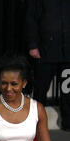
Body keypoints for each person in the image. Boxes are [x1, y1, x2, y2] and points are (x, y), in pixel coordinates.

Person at [25, 0, 70, 130]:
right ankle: (34, 124)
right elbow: (31, 19)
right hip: (45, 50)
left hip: (67, 52)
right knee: (40, 90)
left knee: (68, 90)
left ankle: (68, 123)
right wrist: (33, 45)